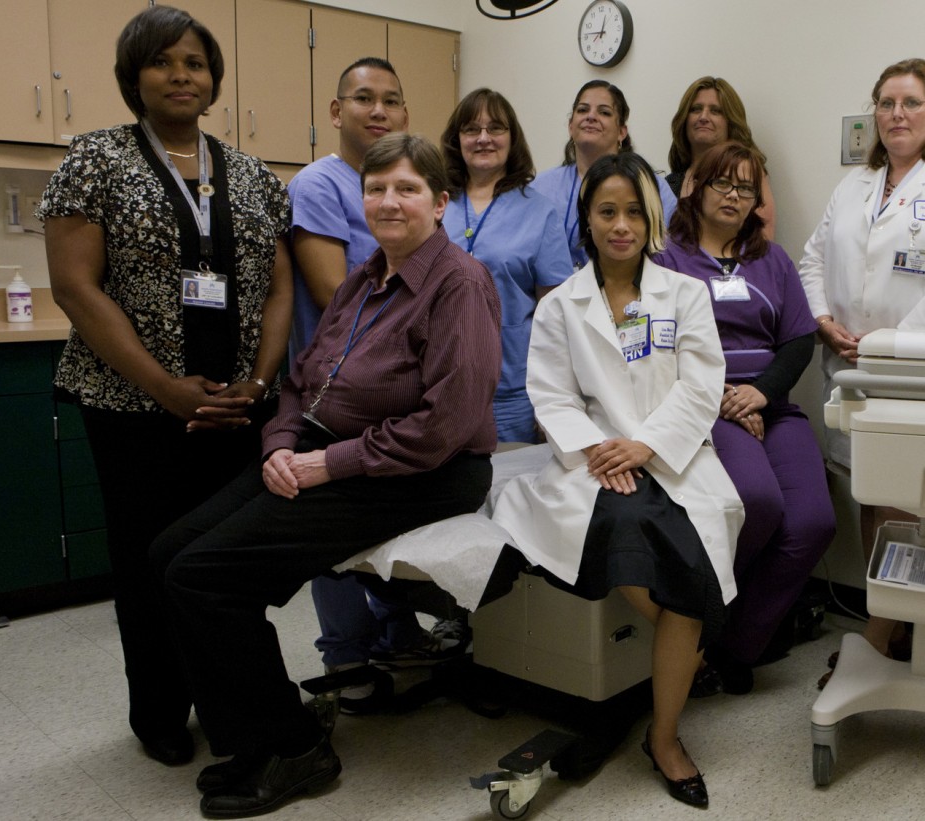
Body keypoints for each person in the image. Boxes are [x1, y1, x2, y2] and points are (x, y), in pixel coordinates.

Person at [152, 133, 502, 818]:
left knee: (205, 576)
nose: (388, 201)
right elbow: (301, 379)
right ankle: (250, 733)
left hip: (428, 470)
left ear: (439, 202)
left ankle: (291, 745)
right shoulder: (363, 281)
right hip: (324, 446)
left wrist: (322, 464)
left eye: (406, 189)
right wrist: (280, 444)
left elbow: (445, 425)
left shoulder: (459, 283)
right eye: (376, 189)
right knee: (169, 555)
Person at [37, 5, 292, 768]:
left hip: (238, 407)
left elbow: (280, 289)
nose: (182, 75)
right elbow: (76, 288)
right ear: (133, 76)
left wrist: (257, 380)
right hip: (133, 410)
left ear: (214, 79)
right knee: (149, 562)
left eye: (195, 63)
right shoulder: (94, 161)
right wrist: (164, 387)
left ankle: (229, 699)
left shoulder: (248, 173)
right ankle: (158, 710)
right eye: (163, 62)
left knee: (223, 564)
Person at [491, 152, 741, 808]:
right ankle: (686, 660)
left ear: (651, 220)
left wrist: (645, 443)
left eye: (634, 211)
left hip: (672, 456)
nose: (621, 224)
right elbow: (550, 392)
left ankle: (663, 735)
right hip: (596, 464)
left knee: (687, 577)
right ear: (588, 220)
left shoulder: (683, 294)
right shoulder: (561, 306)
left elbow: (702, 384)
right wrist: (601, 449)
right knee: (631, 536)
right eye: (607, 211)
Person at [797, 58, 925, 681]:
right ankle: (887, 619)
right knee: (869, 489)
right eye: (886, 104)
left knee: (907, 498)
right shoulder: (853, 186)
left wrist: (896, 340)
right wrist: (821, 317)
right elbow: (811, 258)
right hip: (850, 366)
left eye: (911, 102)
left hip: (921, 371)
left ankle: (880, 632)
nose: (897, 115)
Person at [288, 56, 452, 710]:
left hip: (392, 392)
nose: (377, 110)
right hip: (339, 392)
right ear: (336, 111)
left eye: (390, 99)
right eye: (362, 98)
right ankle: (346, 656)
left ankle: (395, 633)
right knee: (332, 529)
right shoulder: (320, 186)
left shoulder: (403, 183)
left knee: (381, 527)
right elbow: (336, 293)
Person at [654, 142, 834, 695]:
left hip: (768, 406)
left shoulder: (770, 259)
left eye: (746, 187)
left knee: (813, 522)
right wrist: (723, 401)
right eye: (722, 183)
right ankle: (700, 627)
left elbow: (800, 338)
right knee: (757, 503)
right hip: (702, 408)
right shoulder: (666, 258)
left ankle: (733, 642)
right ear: (697, 188)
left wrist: (759, 395)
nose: (734, 196)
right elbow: (658, 349)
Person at [440, 87, 573, 443]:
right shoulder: (436, 204)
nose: (483, 138)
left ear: (512, 139)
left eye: (496, 128)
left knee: (509, 490)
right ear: (457, 140)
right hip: (439, 387)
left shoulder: (539, 211)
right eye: (471, 129)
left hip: (513, 390)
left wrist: (553, 400)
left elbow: (556, 314)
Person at [532, 80, 677, 268]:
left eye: (604, 112)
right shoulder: (540, 188)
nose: (591, 116)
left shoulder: (652, 187)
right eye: (583, 110)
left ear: (622, 132)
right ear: (570, 126)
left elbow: (668, 253)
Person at [664, 77, 777, 240]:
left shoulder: (751, 174)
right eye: (695, 109)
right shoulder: (669, 184)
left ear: (731, 122)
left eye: (715, 111)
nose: (703, 117)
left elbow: (763, 242)